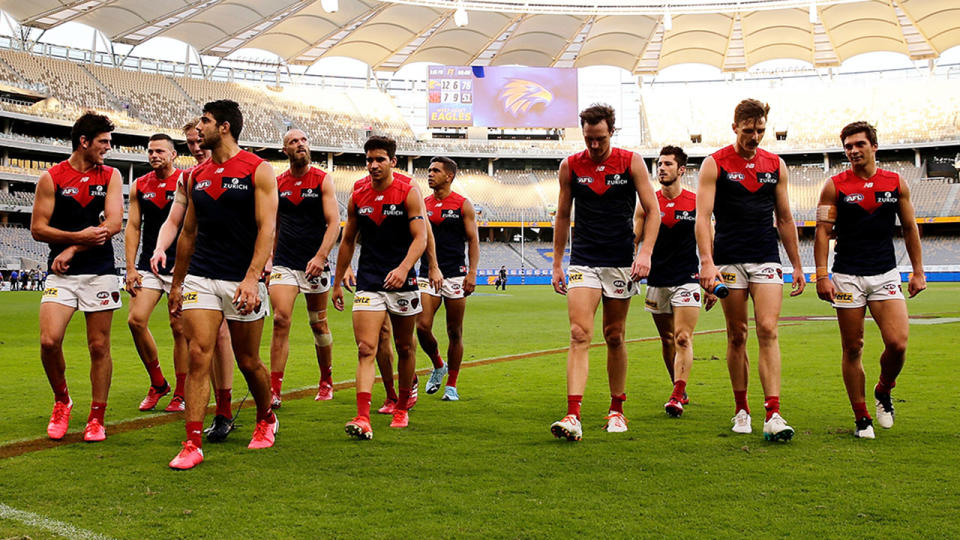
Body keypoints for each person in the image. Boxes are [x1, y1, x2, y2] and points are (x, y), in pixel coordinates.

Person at [167, 100, 278, 469]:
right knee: (200, 354)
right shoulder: (195, 175)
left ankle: (266, 418)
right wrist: (178, 282)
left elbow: (267, 229)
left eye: (206, 121)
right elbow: (188, 232)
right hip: (201, 274)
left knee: (248, 360)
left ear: (225, 127)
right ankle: (192, 443)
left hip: (241, 280)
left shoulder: (258, 170)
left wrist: (251, 278)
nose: (200, 128)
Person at [695, 99, 805, 441]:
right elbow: (702, 218)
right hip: (729, 260)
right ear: (734, 127)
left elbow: (784, 219)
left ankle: (773, 412)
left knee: (769, 329)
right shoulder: (715, 164)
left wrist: (798, 265)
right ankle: (741, 408)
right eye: (748, 131)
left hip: (766, 257)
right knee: (737, 333)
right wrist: (707, 262)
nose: (754, 137)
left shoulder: (776, 165)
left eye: (760, 130)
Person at [550, 103, 660, 441]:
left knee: (614, 335)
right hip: (583, 260)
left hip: (620, 261)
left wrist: (645, 253)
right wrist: (557, 262)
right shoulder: (570, 166)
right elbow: (562, 215)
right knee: (579, 333)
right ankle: (573, 414)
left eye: (599, 139)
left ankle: (617, 408)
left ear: (611, 131)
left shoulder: (631, 162)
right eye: (588, 139)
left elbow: (653, 211)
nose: (594, 146)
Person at [814, 121, 925, 439]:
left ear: (874, 146)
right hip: (847, 277)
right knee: (853, 347)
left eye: (859, 144)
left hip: (885, 274)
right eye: (848, 146)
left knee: (898, 344)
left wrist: (917, 271)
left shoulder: (895, 183)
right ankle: (862, 417)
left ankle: (884, 389)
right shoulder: (834, 186)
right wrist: (822, 275)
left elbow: (909, 228)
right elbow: (822, 233)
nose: (853, 151)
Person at [31, 112, 123, 442]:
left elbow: (113, 224)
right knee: (49, 340)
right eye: (103, 142)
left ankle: (96, 417)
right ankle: (62, 400)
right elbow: (37, 228)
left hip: (100, 272)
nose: (108, 148)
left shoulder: (110, 176)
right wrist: (76, 239)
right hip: (62, 276)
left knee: (99, 346)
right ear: (84, 142)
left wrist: (72, 247)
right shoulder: (51, 177)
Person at [332, 135, 427, 439]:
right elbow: (348, 240)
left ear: (393, 162)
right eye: (369, 160)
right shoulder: (357, 193)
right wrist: (338, 278)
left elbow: (421, 238)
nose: (373, 165)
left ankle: (401, 407)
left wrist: (403, 268)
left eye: (380, 160)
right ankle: (362, 416)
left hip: (403, 282)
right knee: (366, 348)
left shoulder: (408, 192)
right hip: (369, 281)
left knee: (404, 346)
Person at [150, 119, 237, 442]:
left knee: (231, 343)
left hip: (233, 266)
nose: (196, 147)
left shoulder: (242, 170)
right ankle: (208, 414)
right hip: (197, 266)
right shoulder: (189, 178)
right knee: (200, 341)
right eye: (190, 143)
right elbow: (175, 220)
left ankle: (226, 407)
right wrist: (161, 247)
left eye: (199, 140)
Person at [634, 146, 716, 417]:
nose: (661, 168)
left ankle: (677, 394)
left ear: (681, 170)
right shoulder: (647, 204)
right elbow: (634, 238)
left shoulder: (695, 203)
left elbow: (710, 243)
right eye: (659, 163)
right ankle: (678, 386)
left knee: (682, 337)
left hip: (687, 278)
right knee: (667, 338)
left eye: (668, 164)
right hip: (656, 279)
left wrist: (712, 280)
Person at [268, 128, 340, 407]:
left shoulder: (322, 179)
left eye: (303, 140)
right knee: (280, 319)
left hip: (315, 264)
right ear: (284, 150)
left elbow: (334, 223)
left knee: (318, 323)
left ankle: (326, 379)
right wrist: (267, 260)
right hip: (284, 262)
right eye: (293, 142)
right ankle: (275, 389)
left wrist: (321, 257)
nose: (300, 144)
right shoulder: (277, 183)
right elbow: (272, 226)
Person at [124, 133, 188, 412]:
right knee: (136, 321)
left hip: (181, 265)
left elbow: (193, 228)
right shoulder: (140, 185)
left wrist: (188, 265)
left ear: (173, 155)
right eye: (150, 151)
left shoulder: (187, 181)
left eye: (160, 151)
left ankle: (182, 393)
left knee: (179, 328)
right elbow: (133, 227)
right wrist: (129, 267)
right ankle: (159, 383)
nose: (154, 155)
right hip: (150, 263)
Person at [416, 156, 480, 401]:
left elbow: (473, 240)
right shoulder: (422, 204)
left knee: (455, 331)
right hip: (427, 273)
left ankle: (451, 384)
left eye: (435, 170)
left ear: (449, 176)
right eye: (429, 170)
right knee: (422, 326)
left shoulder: (463, 204)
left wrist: (472, 272)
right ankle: (438, 364)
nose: (430, 174)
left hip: (455, 274)